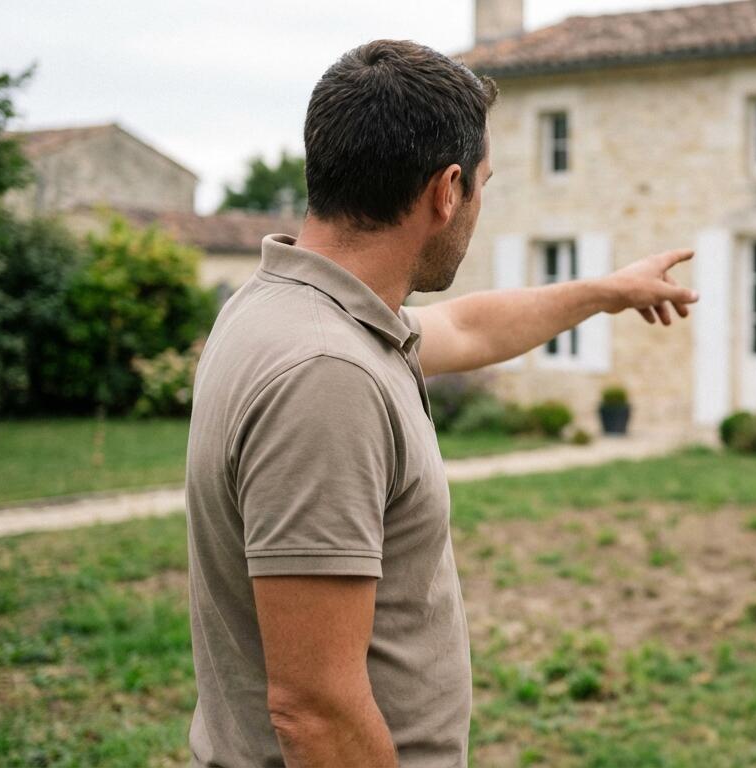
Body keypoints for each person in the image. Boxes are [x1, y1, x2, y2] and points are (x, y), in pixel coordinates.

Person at [184, 40, 696, 767]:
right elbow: (314, 708)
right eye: (484, 185)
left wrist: (606, 291)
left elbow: (465, 324)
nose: (479, 206)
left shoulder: (287, 307)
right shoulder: (328, 375)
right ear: (446, 190)